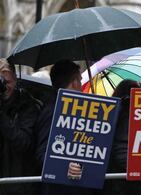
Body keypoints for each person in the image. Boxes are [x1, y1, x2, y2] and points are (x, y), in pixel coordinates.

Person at [35, 59, 96, 195]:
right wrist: (65, 167)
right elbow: (41, 153)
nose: (81, 85)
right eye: (80, 81)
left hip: (81, 187)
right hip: (59, 189)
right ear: (74, 83)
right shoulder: (52, 110)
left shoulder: (81, 110)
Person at [100, 79, 141, 195]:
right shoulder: (132, 119)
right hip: (125, 184)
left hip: (112, 182)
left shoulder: (110, 117)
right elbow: (122, 152)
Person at [0, 58, 41, 195]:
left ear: (16, 80)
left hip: (19, 185)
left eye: (8, 82)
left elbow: (24, 143)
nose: (5, 87)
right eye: (1, 83)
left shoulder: (27, 106)